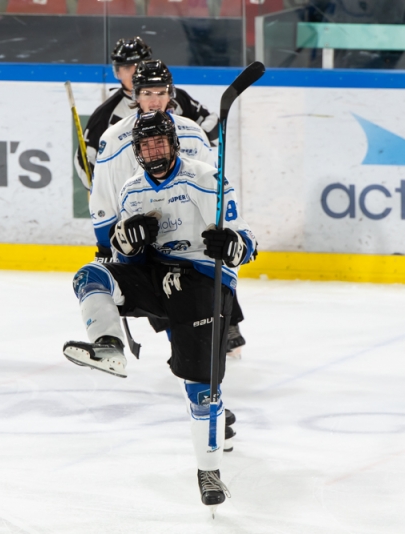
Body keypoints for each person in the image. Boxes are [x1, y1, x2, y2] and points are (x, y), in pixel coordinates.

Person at [63, 111, 257, 509]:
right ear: (136, 150)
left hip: (202, 282)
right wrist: (128, 245)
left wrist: (232, 245)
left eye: (159, 143)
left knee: (200, 389)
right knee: (91, 276)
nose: (153, 151)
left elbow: (246, 240)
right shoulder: (132, 191)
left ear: (173, 143)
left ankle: (209, 472)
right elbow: (125, 260)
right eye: (145, 146)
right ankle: (108, 346)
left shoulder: (205, 179)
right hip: (156, 277)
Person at [91, 59, 246, 358]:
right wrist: (106, 242)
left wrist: (222, 234)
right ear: (135, 96)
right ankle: (186, 348)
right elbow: (103, 194)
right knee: (163, 301)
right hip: (145, 233)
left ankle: (224, 327)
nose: (154, 101)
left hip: (191, 233)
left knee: (205, 280)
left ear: (171, 94)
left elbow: (213, 186)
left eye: (160, 93)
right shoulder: (114, 137)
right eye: (147, 93)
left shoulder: (192, 132)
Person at [74, 36, 219, 191]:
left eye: (138, 66)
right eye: (127, 68)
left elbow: (213, 125)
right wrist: (100, 192)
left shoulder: (177, 99)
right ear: (118, 72)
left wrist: (197, 138)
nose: (133, 73)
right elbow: (84, 158)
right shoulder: (106, 113)